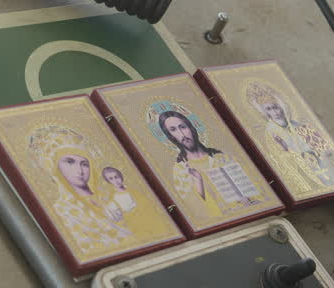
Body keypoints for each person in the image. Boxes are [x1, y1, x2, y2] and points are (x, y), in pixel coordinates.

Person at [28, 125, 132, 253]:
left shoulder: (108, 198)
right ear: (54, 166)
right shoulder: (61, 212)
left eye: (84, 164)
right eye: (69, 162)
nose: (79, 170)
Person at [156, 108, 260, 216]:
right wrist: (198, 183)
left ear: (191, 128)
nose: (182, 134)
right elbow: (194, 211)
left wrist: (250, 200)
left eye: (183, 127)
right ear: (170, 136)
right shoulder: (181, 170)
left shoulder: (223, 157)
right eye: (173, 130)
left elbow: (257, 188)